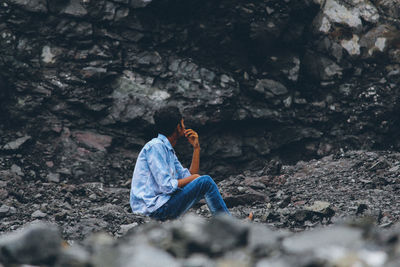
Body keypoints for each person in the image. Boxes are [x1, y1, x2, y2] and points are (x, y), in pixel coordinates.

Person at [129, 106, 231, 221]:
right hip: (152, 210)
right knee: (206, 181)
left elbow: (190, 178)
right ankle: (230, 226)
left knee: (203, 182)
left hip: (160, 206)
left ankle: (228, 225)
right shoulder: (155, 147)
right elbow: (167, 186)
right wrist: (196, 178)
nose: (185, 126)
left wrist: (196, 148)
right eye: (183, 123)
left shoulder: (167, 150)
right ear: (178, 127)